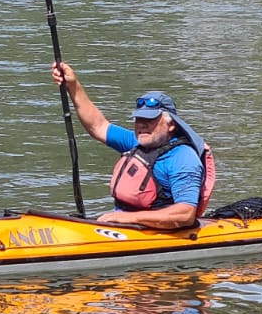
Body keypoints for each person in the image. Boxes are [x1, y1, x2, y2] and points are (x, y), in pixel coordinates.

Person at [51, 63, 215, 233]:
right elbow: (98, 126)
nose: (141, 125)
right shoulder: (137, 142)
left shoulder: (183, 159)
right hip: (125, 226)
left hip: (159, 232)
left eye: (150, 120)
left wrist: (128, 218)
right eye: (139, 119)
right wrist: (73, 85)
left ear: (171, 124)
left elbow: (185, 214)